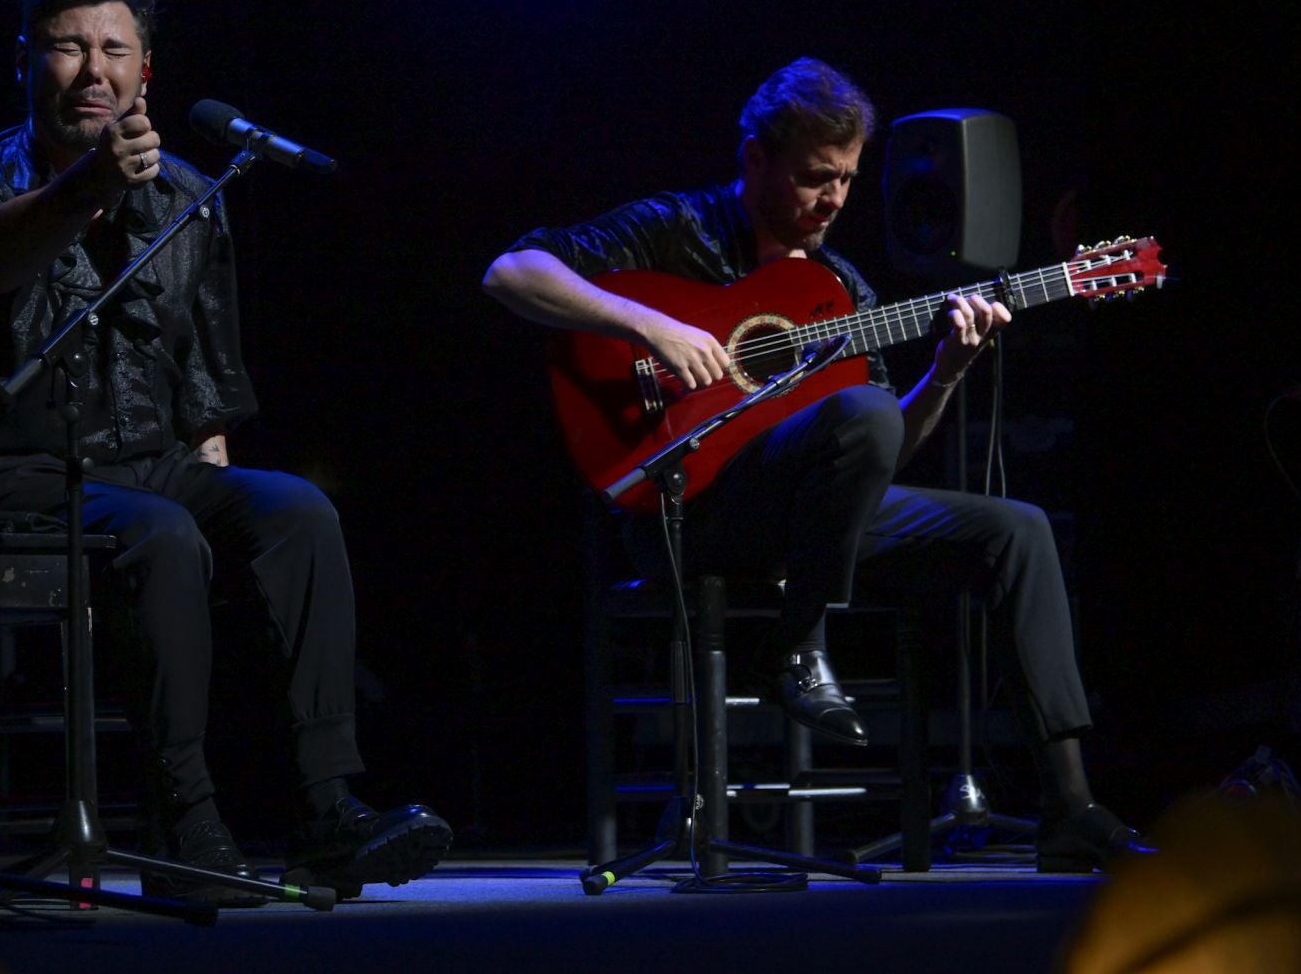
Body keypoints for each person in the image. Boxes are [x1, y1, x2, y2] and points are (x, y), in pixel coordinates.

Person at [483, 58, 1152, 872]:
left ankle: (1069, 807)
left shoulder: (843, 285)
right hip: (693, 511)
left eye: (845, 180)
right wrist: (651, 327)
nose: (833, 199)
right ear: (755, 158)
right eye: (812, 178)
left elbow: (881, 452)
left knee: (1017, 529)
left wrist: (944, 370)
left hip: (813, 523)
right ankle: (799, 647)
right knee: (862, 410)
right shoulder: (675, 228)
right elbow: (513, 273)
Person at [0, 0, 449, 901]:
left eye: (115, 49)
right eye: (67, 48)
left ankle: (328, 807)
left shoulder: (190, 195)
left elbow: (203, 383)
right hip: (7, 468)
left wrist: (224, 500)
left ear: (145, 69)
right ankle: (184, 815)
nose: (93, 70)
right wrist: (88, 190)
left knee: (293, 511)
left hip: (148, 465)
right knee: (160, 537)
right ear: (27, 62)